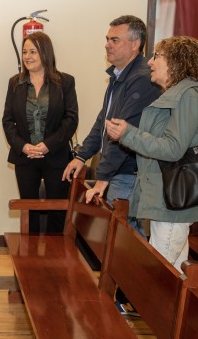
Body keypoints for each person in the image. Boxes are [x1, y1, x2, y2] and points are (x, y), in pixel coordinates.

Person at [106, 36, 198, 272]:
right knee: (174, 275)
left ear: (176, 62)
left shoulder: (186, 97)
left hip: (173, 202)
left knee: (159, 276)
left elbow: (172, 148)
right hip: (168, 199)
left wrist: (129, 134)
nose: (150, 62)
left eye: (157, 56)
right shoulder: (177, 95)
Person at [62, 15, 161, 237]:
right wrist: (81, 156)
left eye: (115, 40)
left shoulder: (141, 78)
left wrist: (102, 178)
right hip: (118, 172)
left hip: (129, 172)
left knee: (127, 240)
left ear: (135, 44)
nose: (107, 44)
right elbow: (103, 122)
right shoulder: (118, 76)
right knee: (119, 240)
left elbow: (120, 134)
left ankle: (140, 274)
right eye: (107, 39)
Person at [2, 31, 78, 233]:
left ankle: (55, 261)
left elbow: (71, 120)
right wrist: (23, 146)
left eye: (33, 52)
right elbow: (7, 120)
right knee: (29, 211)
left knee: (57, 212)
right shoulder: (15, 83)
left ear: (45, 53)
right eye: (25, 52)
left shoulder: (65, 82)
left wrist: (47, 146)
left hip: (56, 156)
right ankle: (29, 260)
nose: (27, 56)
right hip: (25, 158)